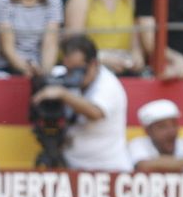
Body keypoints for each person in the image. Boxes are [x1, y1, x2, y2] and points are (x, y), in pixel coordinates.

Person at [30, 33, 132, 171]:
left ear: (94, 64)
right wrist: (39, 79)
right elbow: (44, 82)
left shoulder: (108, 84)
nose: (73, 76)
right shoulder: (61, 76)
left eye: (78, 70)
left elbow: (95, 113)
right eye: (69, 70)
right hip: (72, 166)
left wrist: (63, 94)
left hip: (108, 169)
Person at [64, 0, 143, 75]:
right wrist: (101, 59)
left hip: (125, 68)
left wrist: (137, 58)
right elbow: (74, 44)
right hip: (91, 71)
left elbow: (135, 43)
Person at [0, 0, 63, 76]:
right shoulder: (3, 0)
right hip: (9, 66)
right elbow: (7, 47)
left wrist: (44, 72)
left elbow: (50, 44)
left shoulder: (53, 1)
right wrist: (25, 69)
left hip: (40, 66)